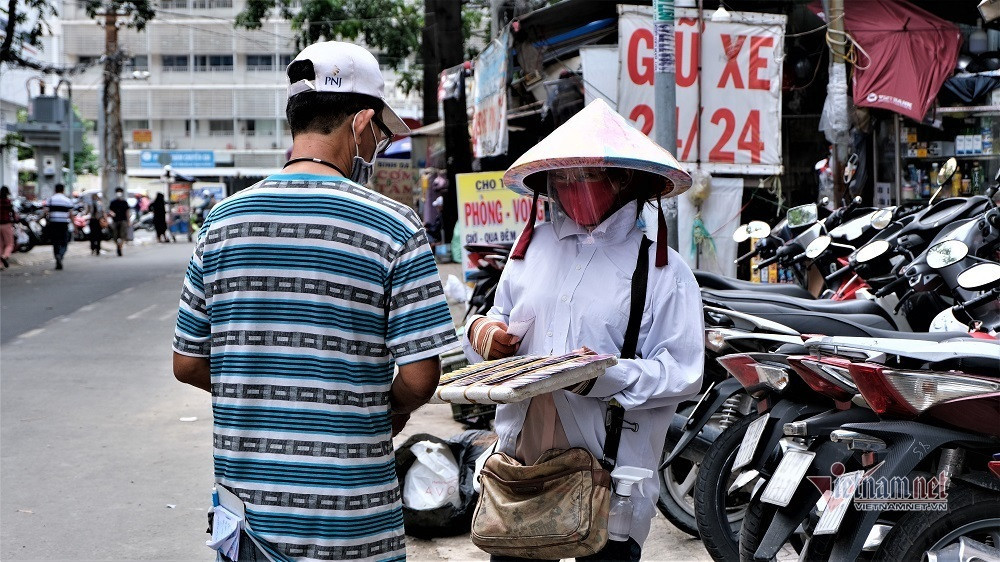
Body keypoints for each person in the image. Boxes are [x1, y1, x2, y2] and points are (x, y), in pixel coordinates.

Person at [172, 40, 459, 562]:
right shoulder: (394, 226)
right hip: (353, 522)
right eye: (378, 133)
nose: (376, 145)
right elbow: (421, 378)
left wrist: (266, 384)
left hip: (247, 523)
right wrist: (372, 409)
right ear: (360, 122)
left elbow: (188, 362)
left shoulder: (221, 223)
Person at [461, 99, 705, 561]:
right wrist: (484, 332)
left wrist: (603, 376)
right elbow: (496, 316)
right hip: (521, 466)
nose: (575, 189)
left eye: (587, 176)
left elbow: (683, 371)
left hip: (607, 474)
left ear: (624, 180)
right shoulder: (530, 249)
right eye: (565, 178)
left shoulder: (662, 270)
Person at [43, 183, 74, 270]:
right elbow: (71, 214)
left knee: (55, 242)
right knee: (64, 242)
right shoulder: (67, 200)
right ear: (63, 190)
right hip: (64, 224)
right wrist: (75, 227)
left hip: (53, 223)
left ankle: (57, 256)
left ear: (55, 190)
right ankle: (60, 255)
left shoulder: (51, 200)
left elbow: (46, 211)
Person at [108, 187, 130, 256]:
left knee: (123, 235)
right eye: (118, 192)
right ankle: (118, 246)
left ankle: (120, 247)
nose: (119, 193)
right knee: (115, 236)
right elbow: (110, 211)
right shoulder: (113, 202)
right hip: (115, 221)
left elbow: (127, 212)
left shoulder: (124, 202)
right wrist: (112, 214)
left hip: (123, 220)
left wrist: (128, 221)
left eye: (120, 192)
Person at [0, 185, 17, 268]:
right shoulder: (8, 201)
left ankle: (0, 264)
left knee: (0, 245)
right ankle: (5, 256)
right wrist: (14, 221)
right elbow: (12, 213)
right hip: (6, 224)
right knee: (10, 244)